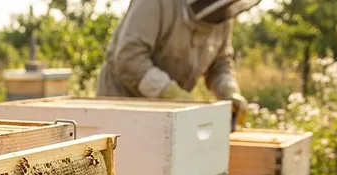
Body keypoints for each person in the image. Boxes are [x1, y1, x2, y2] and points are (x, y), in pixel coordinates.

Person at [96, 0, 260, 127]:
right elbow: (129, 58)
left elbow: (220, 64)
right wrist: (170, 93)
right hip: (122, 106)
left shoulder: (222, 15)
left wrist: (228, 91)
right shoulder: (155, 3)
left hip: (171, 116)